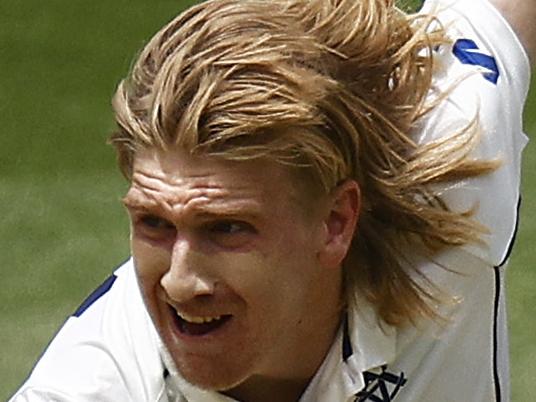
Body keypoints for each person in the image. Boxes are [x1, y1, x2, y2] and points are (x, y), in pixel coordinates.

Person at [10, 0, 535, 400]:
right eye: (154, 223)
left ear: (335, 221)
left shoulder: (454, 166)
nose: (179, 281)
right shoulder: (93, 383)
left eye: (226, 228)